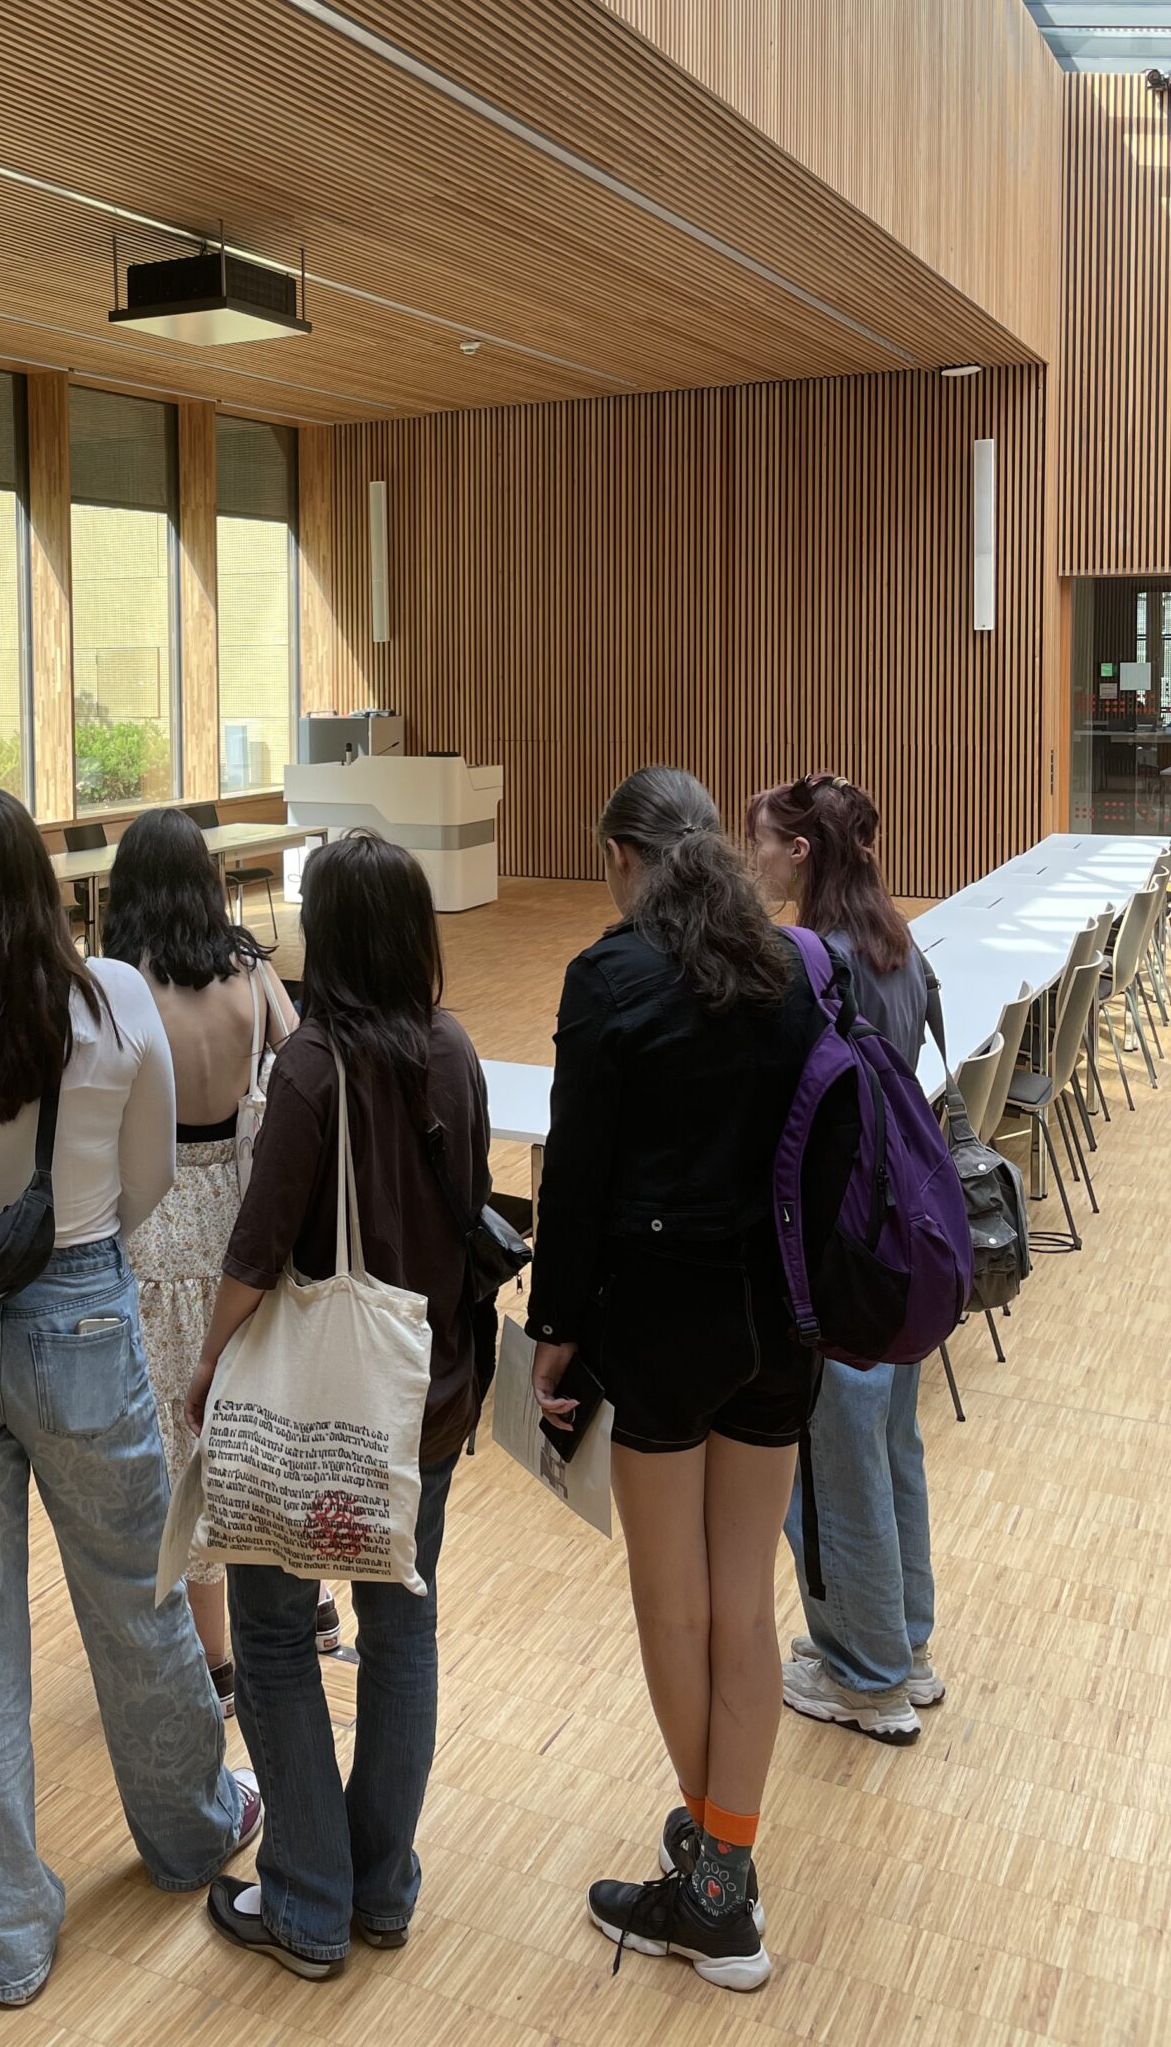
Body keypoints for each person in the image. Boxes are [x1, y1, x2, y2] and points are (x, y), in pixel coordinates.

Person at [0, 786, 260, 2010]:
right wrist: (69, 1244)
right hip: (81, 1311)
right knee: (137, 1597)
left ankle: (12, 1937)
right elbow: (144, 1187)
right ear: (40, 886)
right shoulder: (113, 998)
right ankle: (191, 1830)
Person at [531, 766, 821, 1994]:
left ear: (621, 855)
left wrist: (550, 1329)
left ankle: (715, 1890)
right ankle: (723, 1857)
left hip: (661, 1324)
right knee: (746, 1603)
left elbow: (580, 1180)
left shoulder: (609, 977)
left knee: (673, 1605)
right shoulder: (787, 969)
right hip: (777, 1321)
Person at [188, 829, 490, 1979]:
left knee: (272, 1636)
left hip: (323, 1413)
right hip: (431, 1393)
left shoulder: (314, 1065)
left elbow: (258, 1247)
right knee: (402, 1626)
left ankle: (308, 1902)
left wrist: (209, 1365)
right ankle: (382, 1884)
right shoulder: (451, 1050)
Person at [748, 772, 943, 1747]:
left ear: (801, 853)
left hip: (834, 1256)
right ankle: (903, 1643)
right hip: (903, 1243)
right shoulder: (899, 946)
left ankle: (864, 1675)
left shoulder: (810, 962)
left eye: (761, 843)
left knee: (834, 1470)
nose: (751, 861)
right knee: (892, 1447)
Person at [101, 806, 298, 1713]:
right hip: (247, 1210)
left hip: (154, 1214)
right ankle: (305, 1599)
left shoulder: (121, 985)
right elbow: (298, 1068)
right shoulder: (251, 973)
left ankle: (214, 1662)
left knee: (185, 1439)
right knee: (255, 1411)